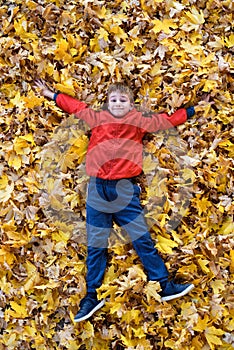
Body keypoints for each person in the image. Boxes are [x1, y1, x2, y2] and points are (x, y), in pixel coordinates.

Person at [34, 79, 195, 323]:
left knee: (142, 238)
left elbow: (167, 121)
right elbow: (75, 107)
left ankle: (163, 285)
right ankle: (91, 296)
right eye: (113, 100)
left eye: (123, 100)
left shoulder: (138, 122)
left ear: (131, 104)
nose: (118, 104)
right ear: (106, 104)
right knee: (96, 243)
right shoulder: (97, 118)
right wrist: (50, 94)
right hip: (97, 189)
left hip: (125, 189)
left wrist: (192, 110)